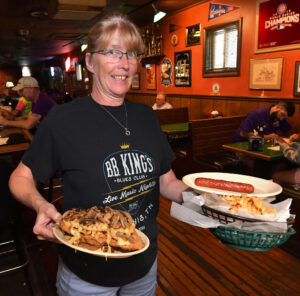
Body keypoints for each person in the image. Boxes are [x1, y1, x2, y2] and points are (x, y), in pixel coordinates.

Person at [9, 13, 188, 296]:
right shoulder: (63, 120)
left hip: (143, 262)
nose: (125, 63)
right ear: (91, 62)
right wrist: (40, 204)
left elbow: (168, 183)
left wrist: (207, 199)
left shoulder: (147, 117)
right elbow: (20, 177)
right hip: (86, 272)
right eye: (113, 52)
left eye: (131, 53)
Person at [232, 101, 297, 143]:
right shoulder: (256, 114)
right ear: (277, 107)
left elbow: (288, 131)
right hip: (243, 145)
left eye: (284, 118)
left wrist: (293, 136)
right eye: (282, 115)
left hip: (264, 146)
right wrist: (266, 137)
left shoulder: (280, 118)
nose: (281, 119)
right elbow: (243, 134)